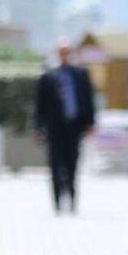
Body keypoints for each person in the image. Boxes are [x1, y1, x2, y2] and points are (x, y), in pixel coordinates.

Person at [36, 42, 98, 213]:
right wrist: (39, 128)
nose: (65, 55)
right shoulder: (48, 76)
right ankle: (56, 202)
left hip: (74, 128)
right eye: (61, 52)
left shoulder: (81, 74)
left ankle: (71, 198)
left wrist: (90, 122)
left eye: (67, 52)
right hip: (55, 129)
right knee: (55, 166)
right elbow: (40, 106)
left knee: (72, 165)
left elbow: (88, 101)